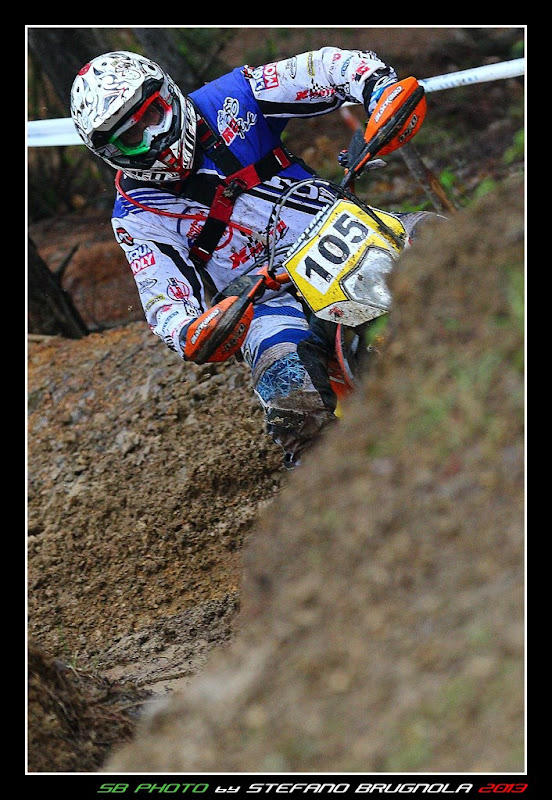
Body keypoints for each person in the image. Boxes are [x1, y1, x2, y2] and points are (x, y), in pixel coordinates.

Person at [70, 46, 425, 468]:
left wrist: (377, 87)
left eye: (152, 116)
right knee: (290, 395)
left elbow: (326, 68)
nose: (151, 138)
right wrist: (190, 330)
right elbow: (162, 299)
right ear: (111, 153)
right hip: (266, 301)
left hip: (342, 229)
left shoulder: (233, 98)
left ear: (167, 96)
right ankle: (331, 487)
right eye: (131, 138)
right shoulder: (136, 215)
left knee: (440, 238)